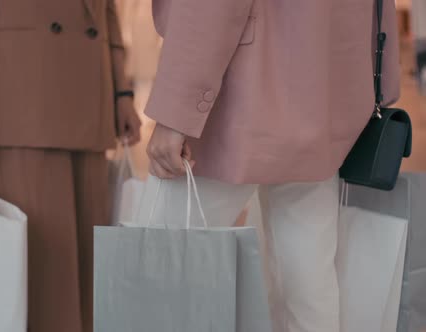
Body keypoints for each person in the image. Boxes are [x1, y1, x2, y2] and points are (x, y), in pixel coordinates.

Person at [145, 0, 400, 331]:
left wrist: (176, 112)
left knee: (162, 271)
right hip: (321, 101)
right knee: (308, 286)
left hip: (235, 103)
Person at [0, 0, 141, 331]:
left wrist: (122, 91)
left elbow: (107, 10)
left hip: (91, 92)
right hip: (26, 95)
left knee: (89, 262)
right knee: (45, 266)